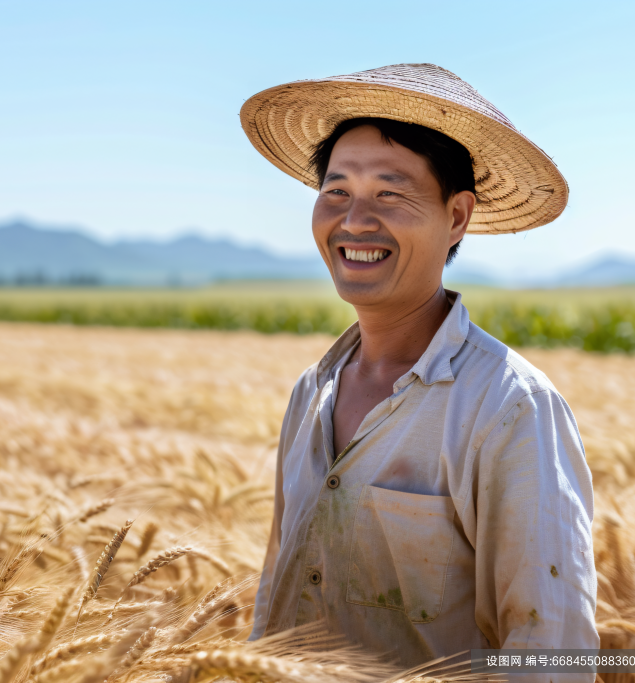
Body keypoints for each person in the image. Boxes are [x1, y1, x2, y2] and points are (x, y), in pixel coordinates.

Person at [240, 64, 598, 665]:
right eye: (336, 190)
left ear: (456, 216)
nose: (354, 220)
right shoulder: (313, 392)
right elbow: (275, 601)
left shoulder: (510, 407)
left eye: (390, 192)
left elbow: (550, 650)